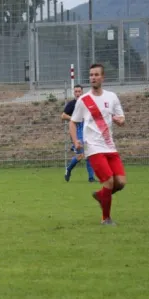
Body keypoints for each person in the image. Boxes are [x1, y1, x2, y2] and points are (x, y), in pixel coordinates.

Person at [70, 63, 126, 226]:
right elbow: (72, 122)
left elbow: (122, 119)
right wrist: (76, 141)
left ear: (103, 77)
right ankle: (105, 219)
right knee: (109, 181)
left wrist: (119, 120)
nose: (93, 77)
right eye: (91, 75)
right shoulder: (83, 100)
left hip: (109, 146)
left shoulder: (112, 97)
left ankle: (102, 195)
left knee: (120, 183)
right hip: (93, 147)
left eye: (96, 75)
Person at [62, 84, 95, 182]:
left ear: (82, 92)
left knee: (89, 154)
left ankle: (91, 178)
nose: (77, 93)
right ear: (74, 93)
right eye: (76, 92)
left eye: (79, 91)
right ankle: (68, 169)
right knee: (81, 155)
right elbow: (63, 116)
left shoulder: (87, 102)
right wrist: (73, 118)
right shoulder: (72, 104)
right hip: (77, 130)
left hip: (87, 130)